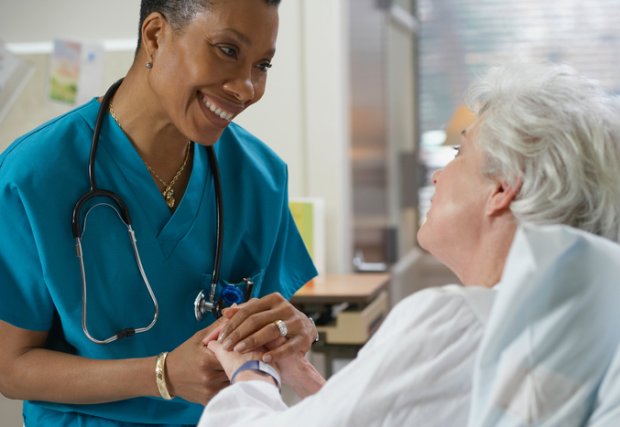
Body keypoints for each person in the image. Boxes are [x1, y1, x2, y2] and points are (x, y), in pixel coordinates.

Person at [196, 61, 620, 427]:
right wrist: (301, 376)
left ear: (503, 189)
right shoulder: (555, 328)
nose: (437, 176)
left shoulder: (459, 320)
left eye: (459, 152)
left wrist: (249, 372)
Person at [0, 0, 319, 425]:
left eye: (262, 65)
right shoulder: (33, 176)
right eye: (228, 50)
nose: (247, 88)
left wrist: (292, 332)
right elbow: (10, 368)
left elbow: (256, 348)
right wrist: (161, 375)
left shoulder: (260, 177)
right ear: (155, 36)